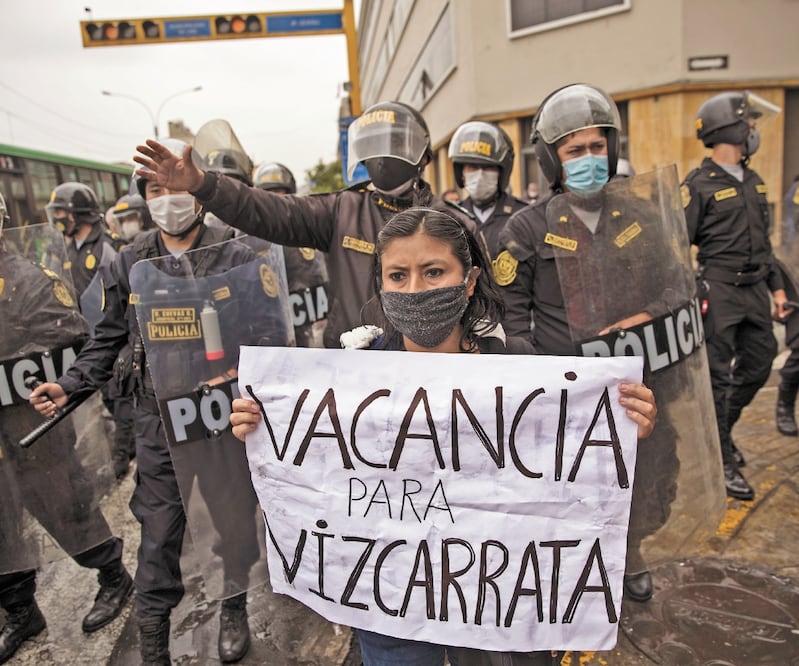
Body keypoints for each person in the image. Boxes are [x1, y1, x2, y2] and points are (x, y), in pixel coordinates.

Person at [230, 206, 657, 666]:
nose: (414, 289)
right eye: (398, 275)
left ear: (469, 280)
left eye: (434, 272)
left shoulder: (517, 366)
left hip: (493, 597)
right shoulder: (353, 374)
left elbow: (566, 478)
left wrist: (623, 425)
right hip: (392, 596)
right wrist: (266, 428)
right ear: (381, 284)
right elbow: (321, 476)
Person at [29, 139, 267, 665]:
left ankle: (233, 604)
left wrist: (244, 376)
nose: (165, 199)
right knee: (158, 534)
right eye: (153, 190)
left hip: (221, 418)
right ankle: (153, 638)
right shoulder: (130, 259)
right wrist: (68, 384)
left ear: (197, 190)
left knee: (232, 519)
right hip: (158, 420)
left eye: (173, 186)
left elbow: (269, 336)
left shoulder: (236, 253)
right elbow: (107, 337)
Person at [496, 83, 710, 604]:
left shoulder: (640, 216)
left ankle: (629, 551)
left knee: (650, 479)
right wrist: (536, 373)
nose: (589, 159)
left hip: (637, 383)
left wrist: (647, 315)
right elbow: (507, 316)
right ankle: (571, 560)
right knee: (569, 485)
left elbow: (678, 287)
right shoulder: (525, 229)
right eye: (574, 150)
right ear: (552, 160)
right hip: (565, 394)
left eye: (597, 147)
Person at [133, 100, 477, 349]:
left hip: (437, 368)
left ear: (426, 156)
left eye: (396, 144)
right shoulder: (340, 211)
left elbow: (486, 307)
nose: (384, 157)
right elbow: (266, 210)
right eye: (372, 145)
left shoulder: (457, 224)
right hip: (354, 365)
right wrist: (204, 185)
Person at [0, 193, 132, 663]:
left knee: (66, 506)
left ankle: (113, 575)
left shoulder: (30, 279)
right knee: (1, 528)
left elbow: (76, 340)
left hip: (33, 421)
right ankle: (19, 609)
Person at [683, 90, 787, 500]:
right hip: (720, 289)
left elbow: (766, 244)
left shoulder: (756, 182)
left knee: (759, 365)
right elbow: (678, 243)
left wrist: (778, 288)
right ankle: (721, 457)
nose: (755, 131)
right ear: (731, 127)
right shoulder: (698, 185)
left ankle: (720, 434)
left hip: (756, 289)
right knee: (716, 378)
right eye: (751, 123)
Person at [46, 182, 135, 479]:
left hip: (113, 337)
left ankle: (123, 458)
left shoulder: (107, 246)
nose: (57, 217)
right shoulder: (65, 248)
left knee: (122, 400)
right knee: (106, 398)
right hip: (87, 340)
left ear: (78, 213)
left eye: (62, 211)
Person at [253, 162, 330, 348]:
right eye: (268, 197)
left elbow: (321, 279)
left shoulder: (309, 235)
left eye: (281, 195)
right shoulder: (245, 241)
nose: (276, 204)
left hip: (308, 338)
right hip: (268, 341)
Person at [448, 121, 527, 258]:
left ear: (501, 173)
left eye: (487, 168)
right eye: (472, 168)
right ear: (461, 173)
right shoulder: (452, 218)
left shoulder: (523, 215)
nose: (479, 176)